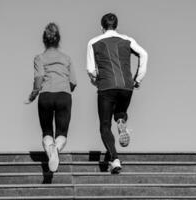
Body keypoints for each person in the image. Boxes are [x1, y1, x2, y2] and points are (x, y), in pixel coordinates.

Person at [86, 13, 148, 174]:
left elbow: (91, 70)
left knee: (105, 126)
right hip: (127, 86)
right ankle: (121, 120)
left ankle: (114, 159)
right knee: (120, 111)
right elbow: (144, 54)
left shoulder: (93, 42)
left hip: (106, 86)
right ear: (116, 26)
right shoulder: (127, 40)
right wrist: (138, 79)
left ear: (101, 27)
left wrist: (95, 81)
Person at [25, 23, 77, 172]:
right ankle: (56, 149)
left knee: (47, 131)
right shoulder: (66, 58)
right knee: (62, 133)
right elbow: (73, 82)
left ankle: (50, 149)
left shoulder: (39, 58)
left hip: (46, 96)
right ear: (58, 39)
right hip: (64, 96)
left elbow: (39, 78)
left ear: (44, 40)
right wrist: (65, 89)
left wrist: (33, 94)